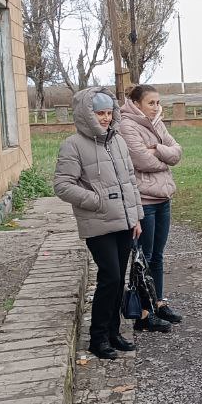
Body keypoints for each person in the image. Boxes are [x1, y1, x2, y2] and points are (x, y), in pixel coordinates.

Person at [54, 87, 143, 360]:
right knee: (110, 278)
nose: (105, 118)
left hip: (124, 222)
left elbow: (129, 180)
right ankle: (98, 337)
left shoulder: (116, 141)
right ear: (86, 114)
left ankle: (114, 333)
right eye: (99, 113)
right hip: (98, 222)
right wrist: (97, 200)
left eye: (108, 112)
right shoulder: (73, 145)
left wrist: (136, 215)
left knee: (118, 282)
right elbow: (62, 185)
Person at [118, 83, 183, 332]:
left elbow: (176, 153)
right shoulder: (127, 125)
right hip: (144, 200)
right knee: (142, 258)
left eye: (158, 102)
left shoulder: (157, 123)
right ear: (136, 104)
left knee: (157, 255)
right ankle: (143, 314)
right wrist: (163, 159)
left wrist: (156, 148)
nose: (156, 107)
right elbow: (140, 160)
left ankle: (158, 302)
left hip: (163, 198)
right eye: (151, 103)